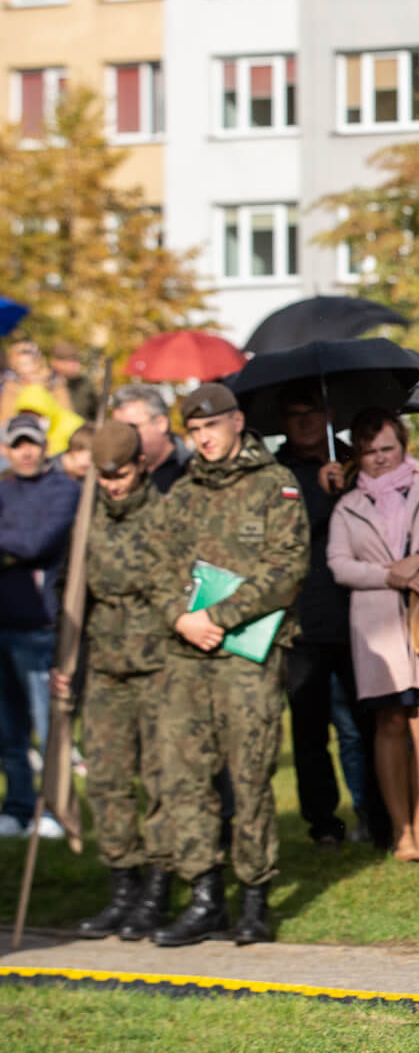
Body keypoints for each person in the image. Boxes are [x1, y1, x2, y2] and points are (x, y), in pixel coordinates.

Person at [147, 384, 308, 947]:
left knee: (250, 774)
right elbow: (157, 565)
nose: (203, 439)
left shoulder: (275, 485)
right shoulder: (181, 491)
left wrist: (217, 615)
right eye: (194, 431)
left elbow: (288, 568)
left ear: (237, 421)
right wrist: (180, 617)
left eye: (211, 427)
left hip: (247, 655)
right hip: (186, 655)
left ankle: (255, 898)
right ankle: (205, 897)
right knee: (186, 777)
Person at [58, 422, 174, 939]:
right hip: (105, 666)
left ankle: (157, 890)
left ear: (141, 466)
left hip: (159, 665)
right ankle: (123, 888)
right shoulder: (86, 520)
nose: (113, 486)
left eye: (120, 475)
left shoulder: (166, 514)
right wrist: (67, 663)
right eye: (103, 478)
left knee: (161, 780)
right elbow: (70, 595)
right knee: (106, 780)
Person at [327, 409, 419, 863]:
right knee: (391, 723)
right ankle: (402, 832)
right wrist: (389, 576)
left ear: (403, 446)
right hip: (377, 623)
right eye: (369, 451)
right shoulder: (348, 505)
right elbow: (339, 565)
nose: (379, 458)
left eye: (387, 448)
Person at [275, 383, 360, 851]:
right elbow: (283, 536)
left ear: (329, 414)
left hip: (357, 614)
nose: (306, 421)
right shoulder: (275, 471)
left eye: (313, 411)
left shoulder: (354, 460)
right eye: (296, 413)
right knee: (309, 730)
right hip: (302, 620)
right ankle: (324, 822)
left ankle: (374, 812)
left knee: (358, 725)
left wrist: (346, 486)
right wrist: (320, 495)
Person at [0, 414, 81, 842]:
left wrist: (15, 547)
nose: (26, 452)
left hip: (41, 627)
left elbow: (37, 542)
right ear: (6, 450)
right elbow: (24, 542)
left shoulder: (64, 489)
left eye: (31, 443)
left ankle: (54, 808)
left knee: (48, 726)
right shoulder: (2, 489)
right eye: (17, 445)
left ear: (44, 445)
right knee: (8, 732)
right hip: (3, 624)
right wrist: (16, 545)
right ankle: (17, 806)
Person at [109, 385, 192, 494]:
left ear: (161, 423)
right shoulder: (109, 473)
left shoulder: (192, 471)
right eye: (118, 429)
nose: (123, 436)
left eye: (132, 427)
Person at [49, 340, 97, 422]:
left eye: (77, 361)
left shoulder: (85, 384)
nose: (76, 365)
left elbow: (95, 414)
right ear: (55, 362)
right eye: (70, 361)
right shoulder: (45, 383)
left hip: (82, 428)